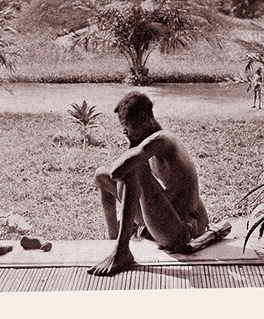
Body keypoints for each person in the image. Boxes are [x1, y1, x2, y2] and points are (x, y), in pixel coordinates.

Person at [88, 92, 209, 276]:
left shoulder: (161, 140)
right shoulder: (149, 145)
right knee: (100, 176)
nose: (124, 132)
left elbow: (118, 171)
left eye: (126, 126)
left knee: (132, 169)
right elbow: (112, 176)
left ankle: (122, 252)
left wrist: (132, 147)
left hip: (180, 233)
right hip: (165, 221)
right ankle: (114, 239)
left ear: (143, 118)